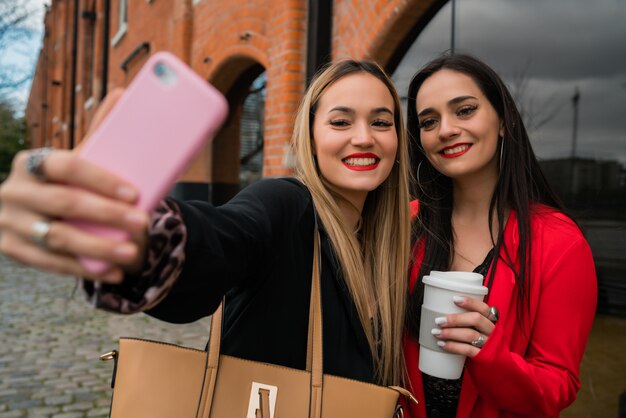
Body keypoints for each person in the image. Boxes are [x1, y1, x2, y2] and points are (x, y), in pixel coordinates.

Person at [0, 59, 412, 387]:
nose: (364, 137)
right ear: (310, 136)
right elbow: (221, 237)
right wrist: (135, 238)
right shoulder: (285, 204)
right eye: (340, 121)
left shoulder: (391, 242)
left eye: (381, 122)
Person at [402, 53, 597, 418]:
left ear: (503, 120)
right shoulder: (406, 224)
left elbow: (557, 387)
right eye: (429, 121)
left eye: (464, 110)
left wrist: (489, 353)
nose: (445, 129)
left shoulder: (559, 243)